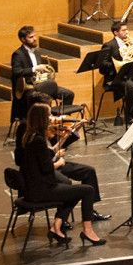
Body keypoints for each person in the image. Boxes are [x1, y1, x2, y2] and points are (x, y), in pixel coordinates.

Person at [18, 102, 106, 247]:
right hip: (42, 191)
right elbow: (47, 168)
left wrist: (59, 145)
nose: (52, 118)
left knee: (73, 191)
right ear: (42, 119)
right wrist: (60, 163)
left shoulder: (30, 137)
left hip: (34, 189)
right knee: (87, 190)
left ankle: (56, 227)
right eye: (49, 115)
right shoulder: (39, 140)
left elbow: (42, 158)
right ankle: (87, 231)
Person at [10, 25, 78, 123]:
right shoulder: (18, 54)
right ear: (23, 39)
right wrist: (34, 69)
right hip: (28, 89)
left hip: (41, 86)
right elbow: (16, 72)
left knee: (68, 94)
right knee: (45, 94)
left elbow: (39, 72)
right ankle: (43, 122)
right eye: (31, 37)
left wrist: (44, 72)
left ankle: (56, 121)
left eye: (34, 36)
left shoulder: (37, 52)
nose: (34, 39)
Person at [98, 20, 133, 105]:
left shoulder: (130, 43)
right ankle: (130, 115)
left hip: (129, 74)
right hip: (115, 77)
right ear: (116, 32)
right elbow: (102, 65)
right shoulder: (109, 45)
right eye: (124, 30)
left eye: (127, 29)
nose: (127, 32)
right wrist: (119, 64)